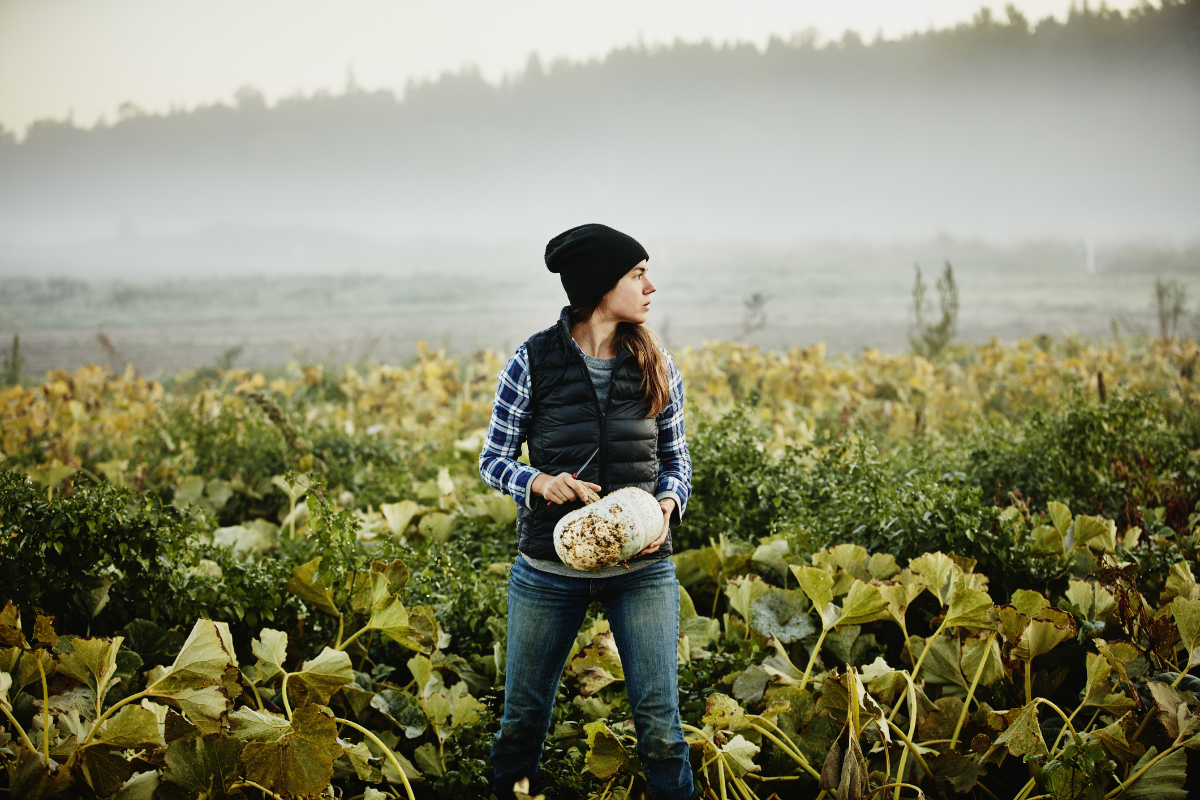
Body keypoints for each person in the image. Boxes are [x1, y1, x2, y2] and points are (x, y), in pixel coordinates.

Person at [478, 224, 695, 799]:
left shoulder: (658, 363)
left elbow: (677, 462)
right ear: (602, 286)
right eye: (637, 274)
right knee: (522, 723)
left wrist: (666, 508)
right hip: (548, 574)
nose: (651, 286)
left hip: (642, 573)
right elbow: (493, 459)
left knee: (661, 730)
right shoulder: (533, 361)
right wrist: (539, 481)